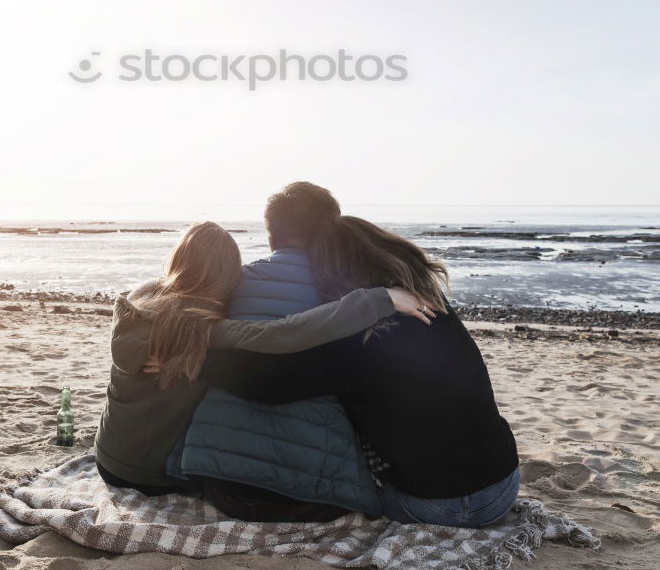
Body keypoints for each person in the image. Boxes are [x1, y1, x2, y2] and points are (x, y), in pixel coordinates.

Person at [198, 215, 521, 529]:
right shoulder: (427, 302)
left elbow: (271, 386)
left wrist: (198, 362)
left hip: (441, 506)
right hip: (504, 483)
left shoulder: (357, 338)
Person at [95, 219, 439, 496]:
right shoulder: (197, 329)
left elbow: (178, 287)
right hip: (147, 477)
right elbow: (280, 333)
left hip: (106, 456)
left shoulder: (137, 302)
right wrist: (377, 301)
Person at [172, 184, 416, 521]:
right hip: (309, 498)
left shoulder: (232, 284)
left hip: (217, 484)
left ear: (270, 230)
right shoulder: (344, 295)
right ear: (332, 231)